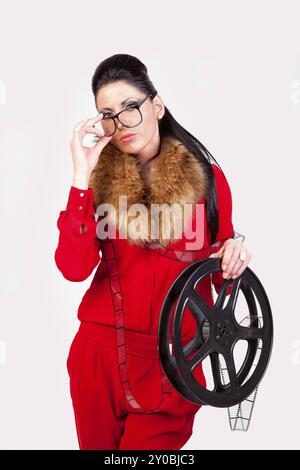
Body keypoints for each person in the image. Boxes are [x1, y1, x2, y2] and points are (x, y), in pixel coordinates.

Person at [54, 53, 252, 450]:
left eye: (131, 107)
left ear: (156, 106)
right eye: (108, 113)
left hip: (175, 362)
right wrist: (81, 175)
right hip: (99, 359)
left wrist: (234, 254)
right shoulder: (97, 184)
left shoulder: (208, 182)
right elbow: (73, 269)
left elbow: (215, 276)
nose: (122, 122)